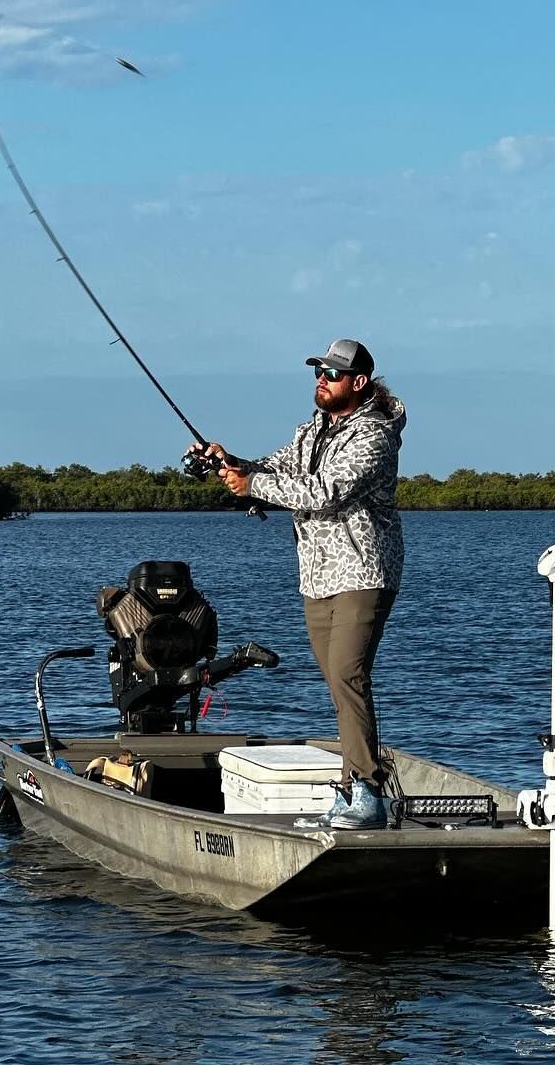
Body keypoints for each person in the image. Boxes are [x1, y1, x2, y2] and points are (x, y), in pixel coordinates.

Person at [189, 338, 405, 830]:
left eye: (331, 374)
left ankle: (368, 793)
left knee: (348, 675)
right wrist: (232, 463)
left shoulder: (374, 436)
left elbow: (326, 493)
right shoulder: (313, 432)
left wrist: (253, 487)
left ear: (358, 382)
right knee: (337, 683)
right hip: (318, 575)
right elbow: (276, 468)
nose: (321, 381)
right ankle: (355, 789)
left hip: (363, 572)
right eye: (318, 373)